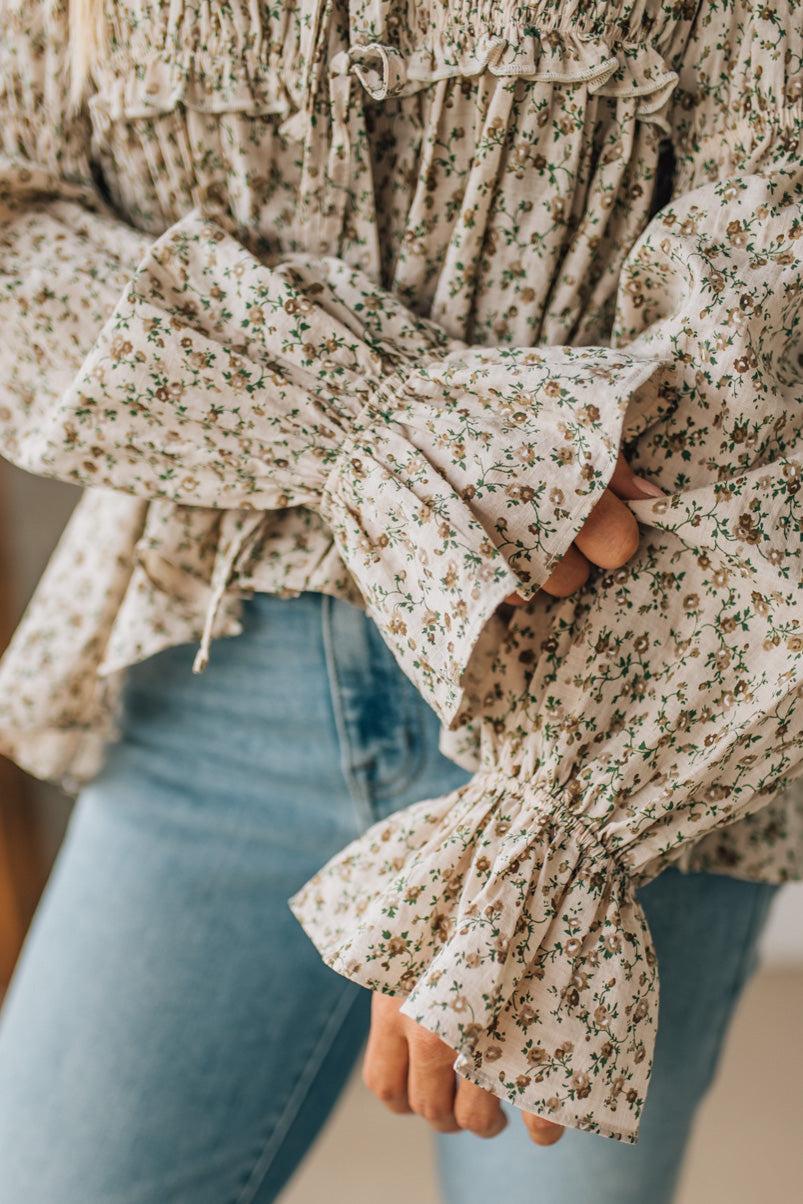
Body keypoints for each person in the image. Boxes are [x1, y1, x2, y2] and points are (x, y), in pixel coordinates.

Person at [0, 1, 798, 1200]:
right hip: (219, 670)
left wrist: (545, 837)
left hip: (614, 710)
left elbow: (771, 317)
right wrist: (387, 421)